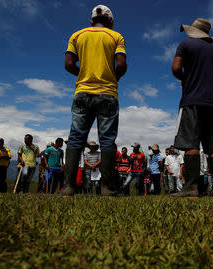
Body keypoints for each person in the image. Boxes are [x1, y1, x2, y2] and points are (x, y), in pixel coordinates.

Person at [62, 4, 127, 196]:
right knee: (107, 140)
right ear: (111, 20)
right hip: (107, 93)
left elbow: (68, 64)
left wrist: (82, 73)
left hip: (82, 92)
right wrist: (113, 78)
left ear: (92, 20)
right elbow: (121, 64)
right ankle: (107, 188)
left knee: (75, 138)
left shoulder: (77, 36)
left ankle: (68, 187)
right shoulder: (116, 36)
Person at [171, 18, 213, 196]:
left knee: (191, 142)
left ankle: (191, 188)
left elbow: (175, 68)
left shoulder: (186, 45)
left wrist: (187, 80)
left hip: (192, 100)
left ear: (194, 30)